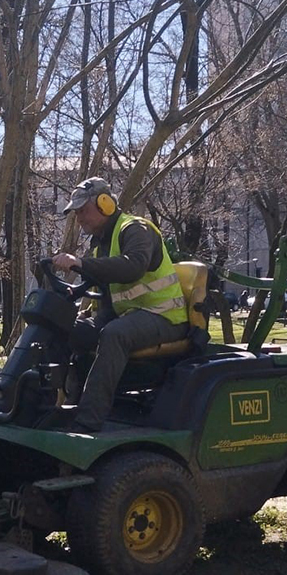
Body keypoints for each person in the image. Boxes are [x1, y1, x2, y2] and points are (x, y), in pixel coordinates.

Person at [52, 177, 188, 432]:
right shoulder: (100, 244)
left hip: (164, 316)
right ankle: (61, 405)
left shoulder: (135, 229)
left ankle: (87, 422)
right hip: (127, 314)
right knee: (70, 330)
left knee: (114, 334)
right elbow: (104, 286)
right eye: (76, 212)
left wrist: (80, 263)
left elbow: (133, 266)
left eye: (83, 210)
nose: (79, 218)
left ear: (105, 204)